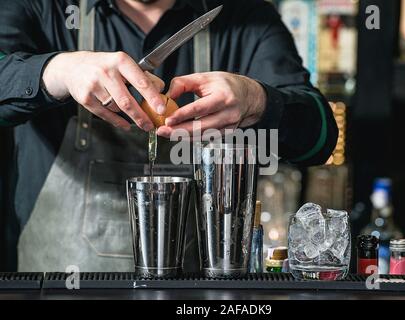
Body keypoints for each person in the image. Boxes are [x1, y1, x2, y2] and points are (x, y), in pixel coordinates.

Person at [0, 0, 338, 272]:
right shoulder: (42, 7)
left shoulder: (247, 17)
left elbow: (321, 139)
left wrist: (259, 100)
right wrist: (56, 70)